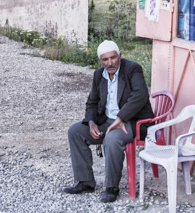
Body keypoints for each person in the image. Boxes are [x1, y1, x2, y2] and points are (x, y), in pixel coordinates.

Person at [64, 40, 154, 203]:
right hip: (106, 120)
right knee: (75, 131)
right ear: (100, 60)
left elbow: (140, 95)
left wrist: (121, 118)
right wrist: (91, 122)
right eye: (105, 60)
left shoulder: (133, 69)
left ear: (120, 55)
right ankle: (85, 182)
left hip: (131, 121)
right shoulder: (99, 75)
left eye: (113, 58)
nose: (110, 63)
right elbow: (92, 101)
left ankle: (111, 187)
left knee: (111, 139)